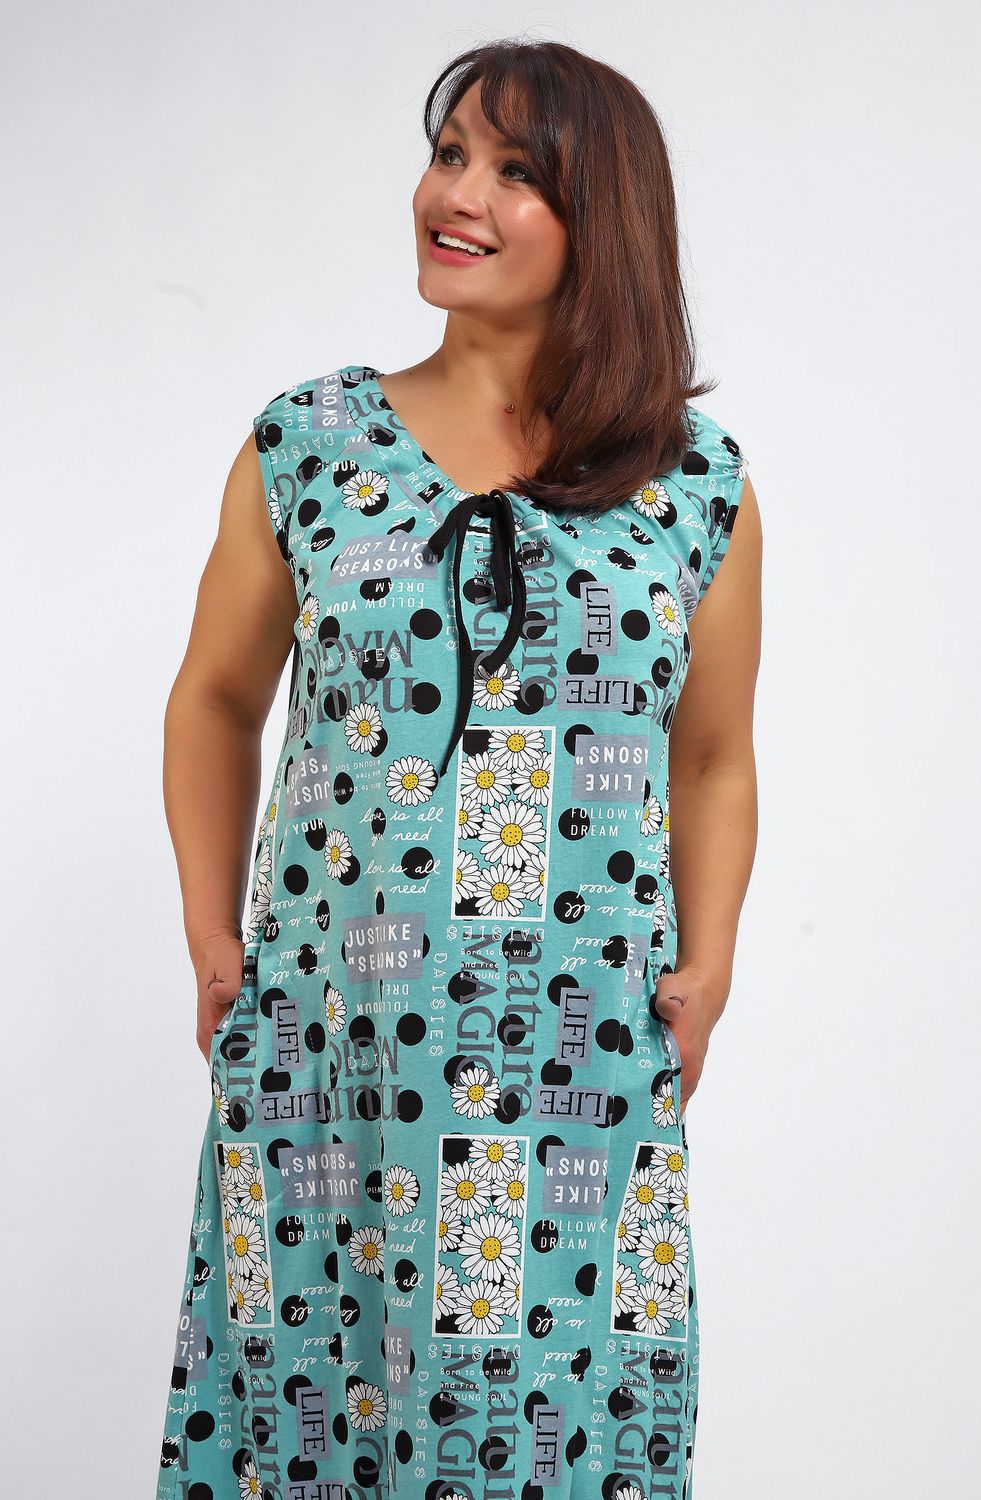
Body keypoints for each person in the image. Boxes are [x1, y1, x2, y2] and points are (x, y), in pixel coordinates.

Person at [156, 37, 761, 1500]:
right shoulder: (309, 445)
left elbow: (714, 756)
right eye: (447, 155)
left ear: (603, 221)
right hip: (334, 1041)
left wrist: (712, 960)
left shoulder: (693, 483)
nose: (457, 195)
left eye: (514, 171)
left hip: (576, 1058)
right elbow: (216, 699)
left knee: (560, 1428)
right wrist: (211, 933)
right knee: (312, 1415)